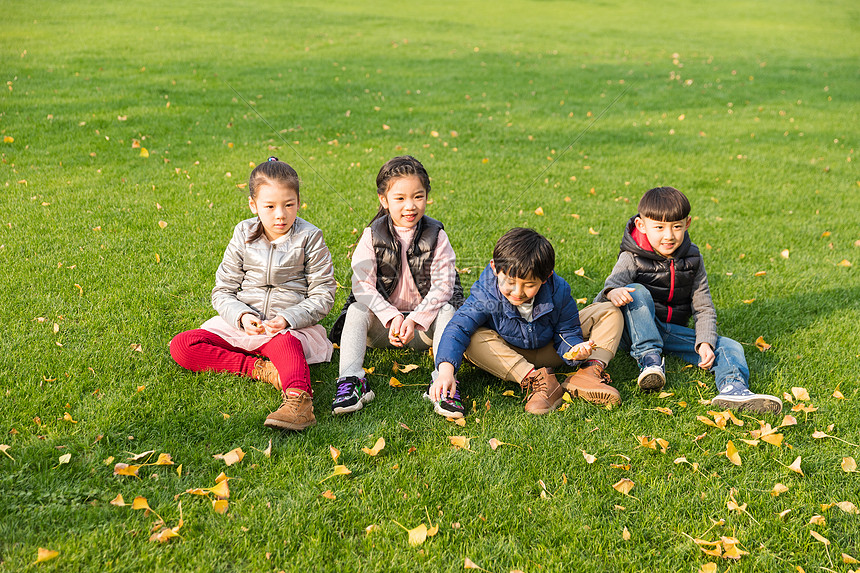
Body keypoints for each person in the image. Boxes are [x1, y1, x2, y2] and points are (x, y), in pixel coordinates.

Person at [170, 157, 336, 431]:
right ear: (253, 205)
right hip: (245, 326)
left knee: (286, 346)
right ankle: (259, 369)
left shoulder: (310, 237)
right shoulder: (243, 233)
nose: (280, 215)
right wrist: (242, 316)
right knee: (183, 345)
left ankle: (299, 403)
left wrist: (287, 318)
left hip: (287, 328)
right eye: (269, 207)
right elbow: (223, 290)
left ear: (298, 202)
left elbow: (323, 295)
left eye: (289, 205)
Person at [596, 186, 782, 413]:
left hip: (667, 330)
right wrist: (612, 292)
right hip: (632, 331)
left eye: (676, 226)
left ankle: (733, 388)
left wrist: (705, 341)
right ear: (641, 225)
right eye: (659, 227)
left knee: (729, 346)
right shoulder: (631, 257)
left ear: (688, 223)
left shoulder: (693, 259)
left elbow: (703, 306)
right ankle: (650, 361)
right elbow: (607, 293)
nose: (669, 235)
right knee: (636, 290)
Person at [429, 228, 624, 418]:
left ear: (546, 278)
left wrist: (575, 350)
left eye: (529, 285)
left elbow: (568, 329)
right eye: (510, 282)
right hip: (507, 355)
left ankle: (588, 374)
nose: (517, 292)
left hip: (550, 349)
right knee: (472, 338)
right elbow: (459, 326)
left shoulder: (559, 291)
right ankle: (538, 381)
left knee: (609, 312)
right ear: (495, 268)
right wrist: (445, 371)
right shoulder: (486, 292)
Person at [328, 155, 463, 415]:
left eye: (418, 196)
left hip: (423, 332)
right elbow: (362, 285)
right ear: (384, 200)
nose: (410, 206)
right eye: (400, 198)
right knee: (357, 309)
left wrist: (414, 319)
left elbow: (443, 287)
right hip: (381, 329)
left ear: (427, 196)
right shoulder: (372, 235)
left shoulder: (437, 236)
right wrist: (390, 317)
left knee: (447, 310)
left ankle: (444, 384)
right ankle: (351, 381)